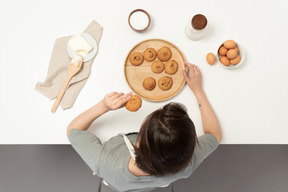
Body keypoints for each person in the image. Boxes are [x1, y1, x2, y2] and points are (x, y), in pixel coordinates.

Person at [67, 62, 222, 192]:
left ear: (138, 143)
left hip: (119, 184)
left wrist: (103, 106)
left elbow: (73, 130)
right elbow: (215, 134)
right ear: (189, 149)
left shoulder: (105, 162)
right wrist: (198, 90)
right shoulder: (187, 164)